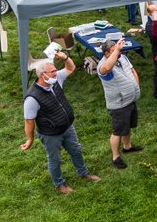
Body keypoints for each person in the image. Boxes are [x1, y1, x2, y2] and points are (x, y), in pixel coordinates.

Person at [21, 53, 100, 193]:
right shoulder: (32, 98)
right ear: (42, 75)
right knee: (55, 160)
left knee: (76, 150)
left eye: (56, 70)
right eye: (53, 71)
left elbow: (70, 68)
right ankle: (59, 184)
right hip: (50, 135)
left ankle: (83, 173)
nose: (56, 73)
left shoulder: (55, 80)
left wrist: (65, 58)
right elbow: (29, 121)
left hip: (67, 127)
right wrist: (30, 139)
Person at [97, 39, 143, 170]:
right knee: (118, 131)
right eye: (113, 51)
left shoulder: (122, 57)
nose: (118, 53)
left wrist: (136, 87)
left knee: (127, 126)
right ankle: (115, 156)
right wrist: (116, 50)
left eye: (118, 50)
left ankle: (127, 146)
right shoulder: (103, 66)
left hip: (131, 99)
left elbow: (132, 71)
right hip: (119, 104)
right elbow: (106, 68)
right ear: (106, 54)